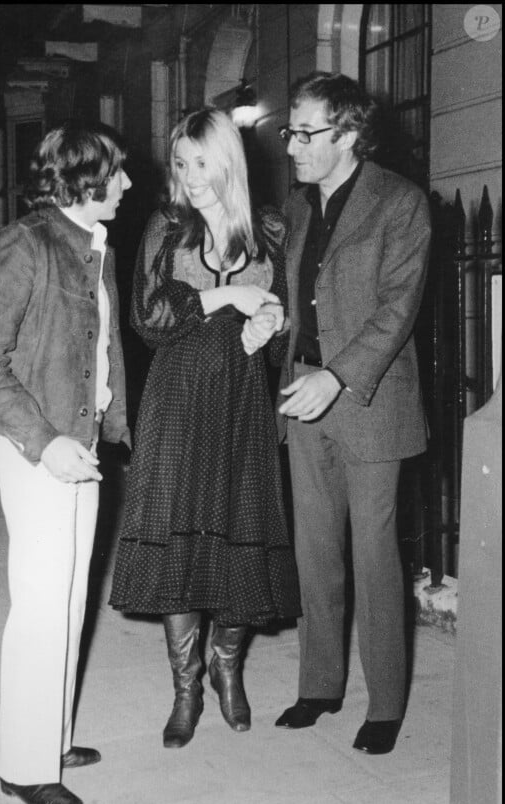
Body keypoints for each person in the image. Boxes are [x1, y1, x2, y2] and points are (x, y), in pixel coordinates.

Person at [109, 107, 301, 748]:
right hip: (179, 397)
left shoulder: (269, 231)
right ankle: (186, 688)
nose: (190, 178)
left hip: (244, 401)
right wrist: (227, 298)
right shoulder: (168, 227)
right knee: (179, 544)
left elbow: (284, 333)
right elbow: (148, 317)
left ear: (228, 162)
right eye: (181, 164)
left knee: (238, 534)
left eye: (201, 163)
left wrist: (267, 328)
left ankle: (227, 669)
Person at [0, 120, 132, 804]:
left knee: (68, 596)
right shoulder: (25, 244)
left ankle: (50, 735)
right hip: (34, 444)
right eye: (115, 172)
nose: (125, 182)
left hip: (76, 442)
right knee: (39, 600)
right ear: (84, 177)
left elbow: (102, 348)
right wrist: (44, 439)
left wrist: (114, 429)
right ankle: (23, 764)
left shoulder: (93, 246)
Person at [272, 72, 431, 754]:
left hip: (367, 398)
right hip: (303, 393)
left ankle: (386, 701)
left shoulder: (400, 202)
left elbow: (398, 308)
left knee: (373, 555)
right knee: (314, 549)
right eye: (291, 132)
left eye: (306, 133)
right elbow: (301, 297)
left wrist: (336, 376)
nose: (293, 146)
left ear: (349, 136)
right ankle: (319, 683)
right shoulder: (300, 209)